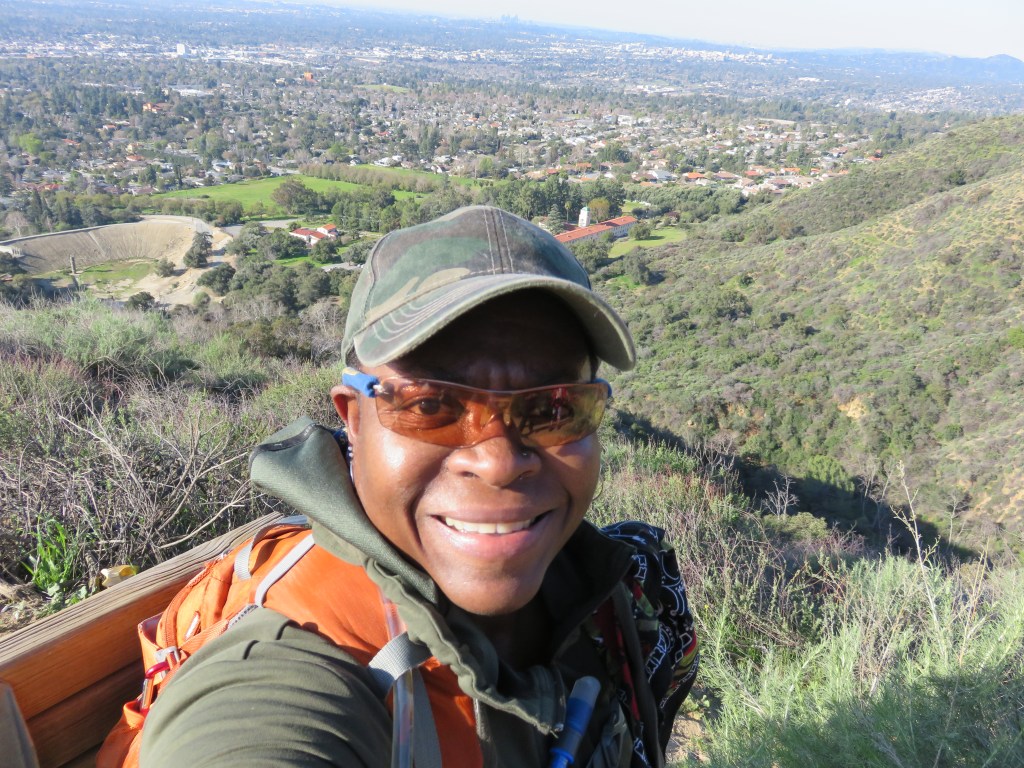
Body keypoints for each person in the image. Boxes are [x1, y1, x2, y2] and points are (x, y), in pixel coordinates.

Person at [133, 205, 697, 767]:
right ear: (353, 418)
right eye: (430, 405)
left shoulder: (602, 589)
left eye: (554, 408)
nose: (500, 463)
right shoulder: (285, 673)